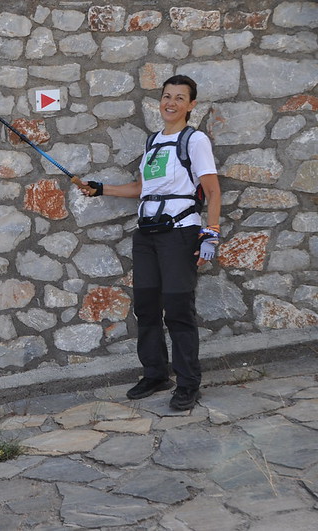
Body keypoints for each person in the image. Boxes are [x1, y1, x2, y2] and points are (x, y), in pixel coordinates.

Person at [76, 75, 221, 411]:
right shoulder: (153, 141)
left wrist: (210, 233)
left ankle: (187, 383)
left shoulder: (195, 140)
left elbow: (212, 190)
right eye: (166, 96)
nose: (171, 103)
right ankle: (156, 373)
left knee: (178, 310)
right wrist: (102, 189)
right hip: (147, 234)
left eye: (180, 98)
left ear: (191, 105)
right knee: (146, 306)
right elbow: (142, 188)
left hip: (179, 234)